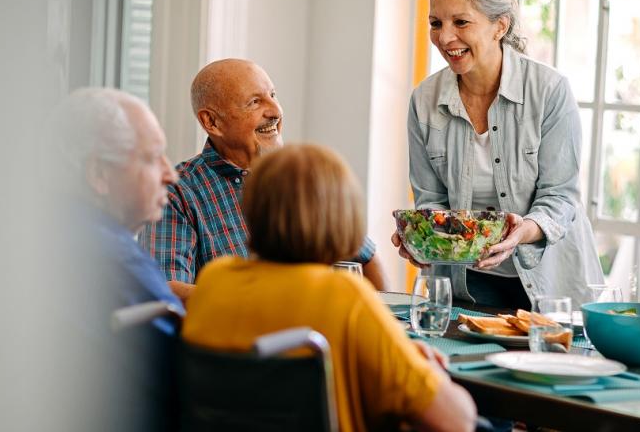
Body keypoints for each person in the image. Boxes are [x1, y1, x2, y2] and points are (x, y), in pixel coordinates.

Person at [182, 144, 477, 432]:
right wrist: (429, 370)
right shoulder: (343, 296)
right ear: (343, 217)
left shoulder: (214, 281)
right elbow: (456, 421)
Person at [393, 0, 604, 310]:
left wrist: (521, 232)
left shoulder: (549, 92)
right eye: (436, 23)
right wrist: (423, 237)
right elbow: (430, 199)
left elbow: (560, 197)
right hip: (466, 283)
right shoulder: (423, 101)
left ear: (499, 26)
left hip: (550, 282)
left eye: (461, 22)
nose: (445, 37)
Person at [140, 59, 388, 302]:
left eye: (273, 95)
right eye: (255, 102)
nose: (275, 111)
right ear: (211, 122)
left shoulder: (300, 176)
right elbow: (163, 290)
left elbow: (365, 257)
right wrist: (270, 300)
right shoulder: (176, 192)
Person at [46, 88, 184, 431]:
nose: (171, 175)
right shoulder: (116, 262)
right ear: (99, 175)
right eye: (153, 159)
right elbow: (190, 378)